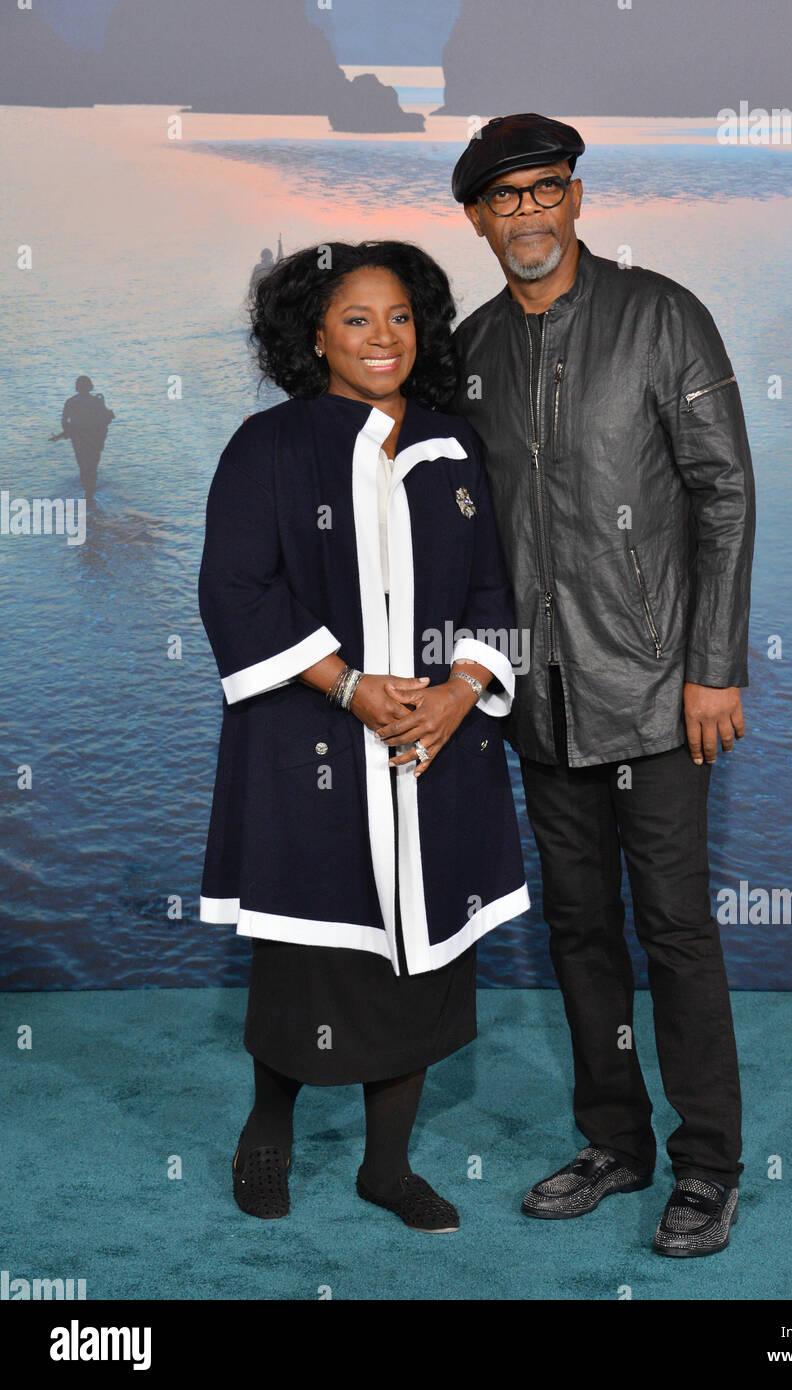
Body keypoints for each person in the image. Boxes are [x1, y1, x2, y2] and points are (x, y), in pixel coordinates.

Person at [450, 114, 756, 1256]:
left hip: (659, 691)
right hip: (540, 701)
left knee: (674, 929)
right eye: (503, 199)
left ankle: (709, 1165)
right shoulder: (472, 347)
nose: (526, 215)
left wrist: (712, 667)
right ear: (476, 217)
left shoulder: (661, 315)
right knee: (580, 930)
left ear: (575, 197)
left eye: (545, 191)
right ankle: (614, 1143)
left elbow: (723, 492)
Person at [198, 240, 528, 1233]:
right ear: (313, 335)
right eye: (355, 318)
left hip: (435, 752)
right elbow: (234, 590)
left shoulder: (451, 444)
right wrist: (346, 686)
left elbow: (492, 594)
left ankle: (387, 1167)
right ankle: (268, 1123)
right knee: (310, 952)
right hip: (314, 751)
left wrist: (463, 688)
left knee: (419, 969)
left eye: (398, 317)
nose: (381, 337)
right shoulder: (270, 446)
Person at [52, 375, 115, 498]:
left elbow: (64, 421)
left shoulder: (70, 402)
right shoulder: (97, 401)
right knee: (93, 465)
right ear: (90, 387)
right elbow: (107, 419)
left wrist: (67, 432)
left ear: (77, 387)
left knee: (82, 465)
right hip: (95, 438)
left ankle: (87, 492)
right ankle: (90, 492)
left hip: (78, 438)